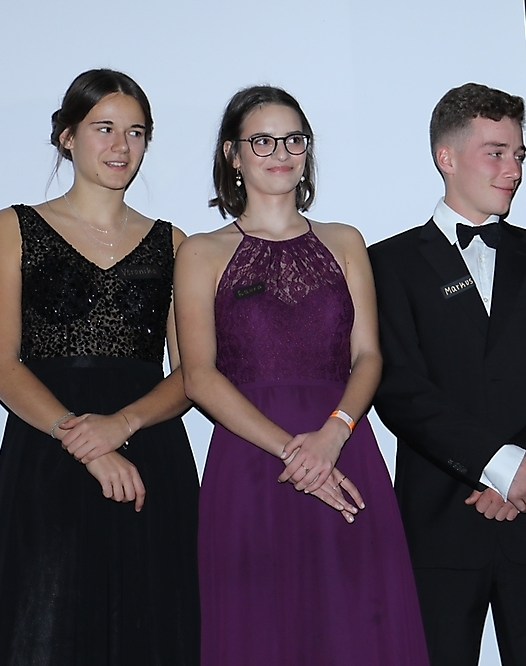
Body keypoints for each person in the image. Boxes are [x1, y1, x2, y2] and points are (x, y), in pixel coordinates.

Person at [174, 85, 429, 666]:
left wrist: (334, 434)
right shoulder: (201, 252)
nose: (280, 152)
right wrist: (297, 454)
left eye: (293, 139)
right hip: (251, 463)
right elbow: (199, 377)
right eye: (262, 140)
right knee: (262, 635)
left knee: (357, 629)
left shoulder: (345, 240)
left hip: (346, 450)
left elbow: (369, 356)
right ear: (233, 154)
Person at [0, 69, 200, 665]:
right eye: (105, 128)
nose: (122, 146)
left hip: (150, 459)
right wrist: (88, 444)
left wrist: (121, 426)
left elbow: (193, 374)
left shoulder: (174, 243)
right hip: (47, 458)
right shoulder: (14, 227)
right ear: (67, 136)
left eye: (136, 132)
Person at [368, 82, 526, 666]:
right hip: (440, 520)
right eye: (496, 152)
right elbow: (397, 386)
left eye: (518, 154)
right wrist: (497, 464)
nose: (513, 169)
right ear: (446, 158)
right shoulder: (388, 263)